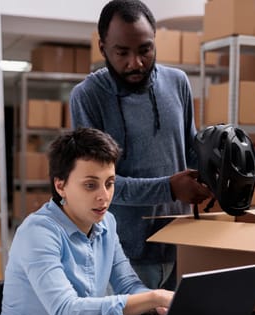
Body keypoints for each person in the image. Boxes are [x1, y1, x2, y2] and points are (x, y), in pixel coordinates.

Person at [70, 0, 211, 290]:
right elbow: (98, 185)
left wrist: (218, 171)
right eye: (122, 53)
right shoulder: (88, 96)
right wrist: (169, 188)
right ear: (103, 48)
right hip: (120, 258)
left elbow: (191, 152)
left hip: (181, 244)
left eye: (145, 50)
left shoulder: (178, 82)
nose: (135, 63)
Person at [0, 128, 174, 315]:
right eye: (90, 185)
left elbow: (127, 284)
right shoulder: (38, 232)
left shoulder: (107, 223)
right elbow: (67, 313)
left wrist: (157, 305)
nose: (104, 196)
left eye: (109, 183)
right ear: (61, 186)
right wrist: (154, 298)